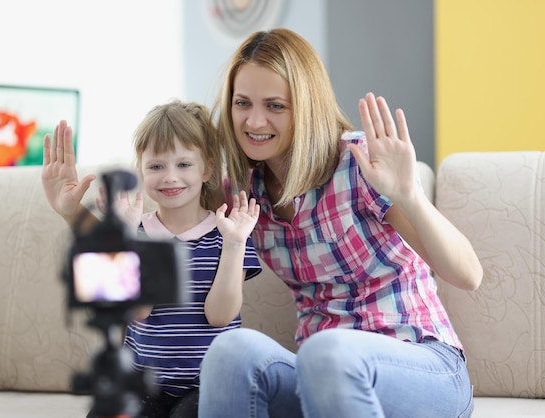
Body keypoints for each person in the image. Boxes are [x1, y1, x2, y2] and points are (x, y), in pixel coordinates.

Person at [198, 28, 483, 418]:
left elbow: (468, 274)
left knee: (327, 351)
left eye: (275, 105)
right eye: (242, 103)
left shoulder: (359, 164)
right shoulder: (243, 194)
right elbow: (168, 225)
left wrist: (408, 195)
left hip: (421, 364)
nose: (254, 120)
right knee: (231, 352)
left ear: (306, 106)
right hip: (324, 378)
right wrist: (84, 214)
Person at [41, 100, 262, 418]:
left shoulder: (230, 232)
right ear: (141, 172)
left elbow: (220, 316)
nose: (171, 177)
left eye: (184, 164)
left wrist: (234, 244)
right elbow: (138, 312)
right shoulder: (137, 230)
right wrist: (114, 235)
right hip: (143, 386)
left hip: (208, 386)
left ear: (208, 168)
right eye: (157, 166)